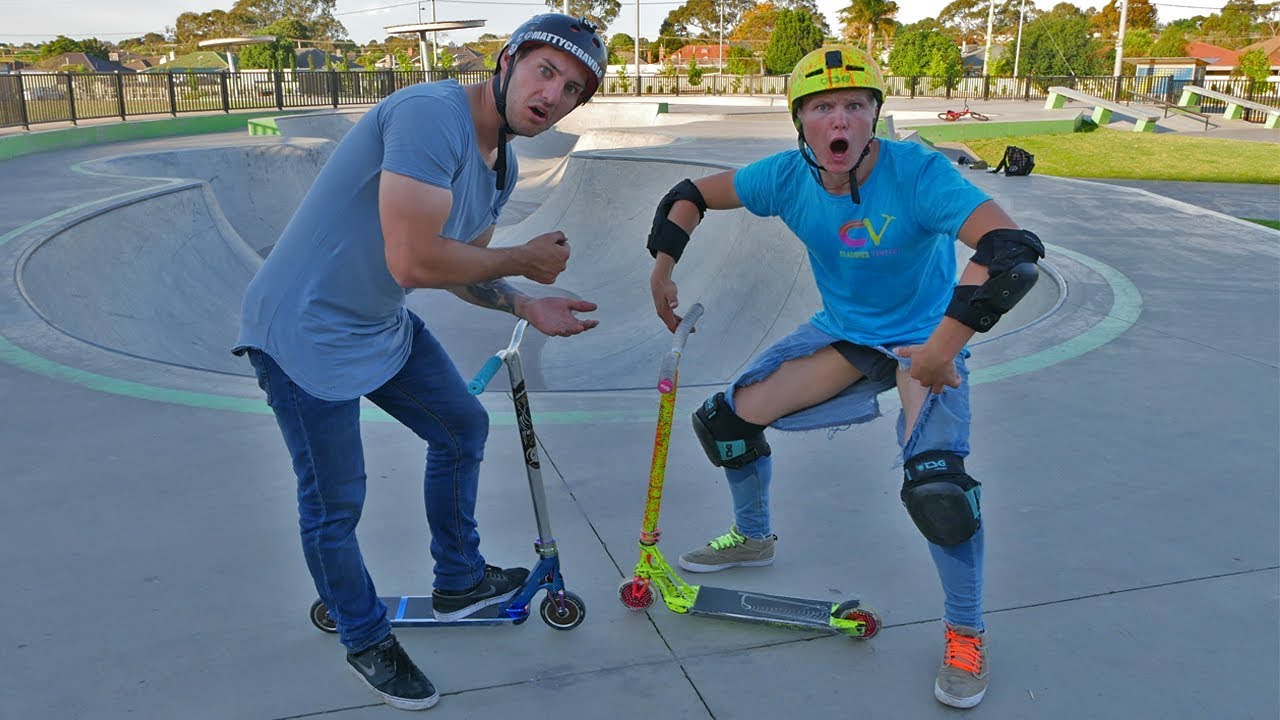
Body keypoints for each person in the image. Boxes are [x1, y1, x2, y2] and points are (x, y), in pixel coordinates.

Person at [644, 46, 1045, 710]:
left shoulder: (916, 172)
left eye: (855, 106)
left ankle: (965, 634)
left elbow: (1011, 252)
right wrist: (662, 268)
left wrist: (942, 352)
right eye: (823, 107)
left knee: (938, 488)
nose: (840, 121)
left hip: (926, 336)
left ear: (875, 117)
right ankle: (752, 537)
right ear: (800, 122)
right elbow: (689, 196)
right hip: (848, 334)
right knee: (726, 424)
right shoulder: (783, 178)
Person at [233, 14, 608, 712]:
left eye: (574, 89)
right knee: (335, 502)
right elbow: (414, 259)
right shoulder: (430, 117)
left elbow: (462, 269)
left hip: (377, 323)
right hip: (301, 330)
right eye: (545, 71)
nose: (553, 94)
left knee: (461, 427)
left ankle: (459, 578)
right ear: (507, 61)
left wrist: (523, 303)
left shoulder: (503, 168)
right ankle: (365, 637)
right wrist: (523, 260)